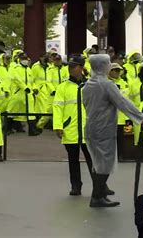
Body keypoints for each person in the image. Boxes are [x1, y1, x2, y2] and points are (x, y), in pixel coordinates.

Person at [83, 54, 143, 208]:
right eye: (107, 63)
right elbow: (122, 102)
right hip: (104, 128)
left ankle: (100, 194)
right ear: (103, 66)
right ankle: (97, 197)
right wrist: (140, 117)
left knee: (98, 163)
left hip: (92, 127)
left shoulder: (88, 84)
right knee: (104, 163)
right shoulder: (107, 85)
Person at [53, 55, 94, 196]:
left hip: (87, 129)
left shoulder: (89, 85)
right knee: (73, 161)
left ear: (82, 68)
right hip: (70, 129)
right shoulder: (62, 87)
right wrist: (58, 126)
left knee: (93, 160)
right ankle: (76, 186)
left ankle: (99, 186)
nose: (71, 69)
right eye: (70, 66)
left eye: (74, 66)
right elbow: (57, 107)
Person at [36, 52, 69, 134]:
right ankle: (39, 126)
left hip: (62, 93)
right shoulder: (50, 70)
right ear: (54, 61)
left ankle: (60, 126)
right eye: (56, 60)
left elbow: (67, 79)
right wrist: (53, 90)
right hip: (53, 94)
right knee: (48, 111)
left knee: (63, 110)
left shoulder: (64, 69)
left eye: (59, 60)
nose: (57, 62)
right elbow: (48, 81)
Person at [108, 63, 129, 161]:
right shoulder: (107, 82)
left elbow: (126, 99)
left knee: (120, 139)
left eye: (118, 70)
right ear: (110, 71)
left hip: (120, 117)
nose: (117, 72)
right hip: (109, 117)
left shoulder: (124, 82)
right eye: (115, 70)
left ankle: (120, 156)